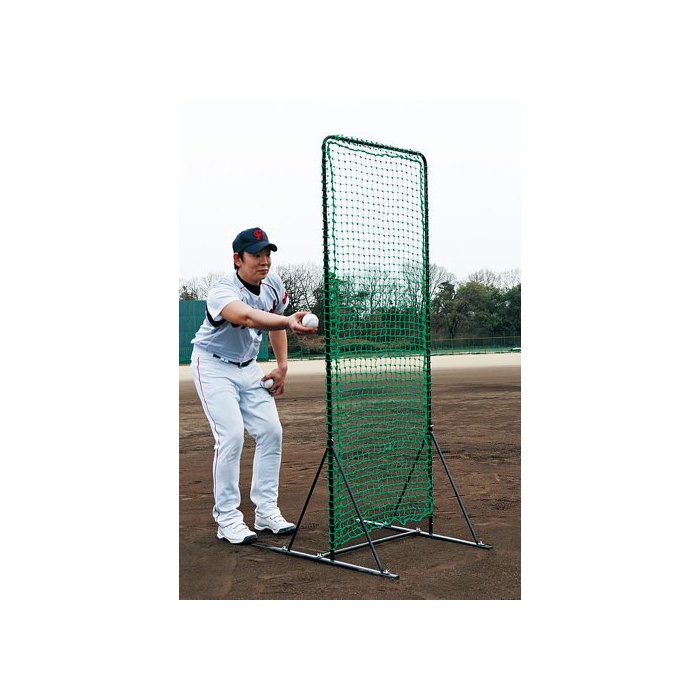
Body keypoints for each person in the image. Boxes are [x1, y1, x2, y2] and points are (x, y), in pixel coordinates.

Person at [190, 227, 317, 545]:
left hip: (249, 369)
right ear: (238, 259)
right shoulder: (222, 291)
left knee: (271, 432)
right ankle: (227, 518)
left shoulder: (274, 284)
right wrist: (287, 321)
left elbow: (275, 324)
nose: (265, 261)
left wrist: (283, 366)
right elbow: (248, 317)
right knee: (231, 436)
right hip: (213, 366)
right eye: (256, 255)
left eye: (267, 254)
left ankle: (266, 511)